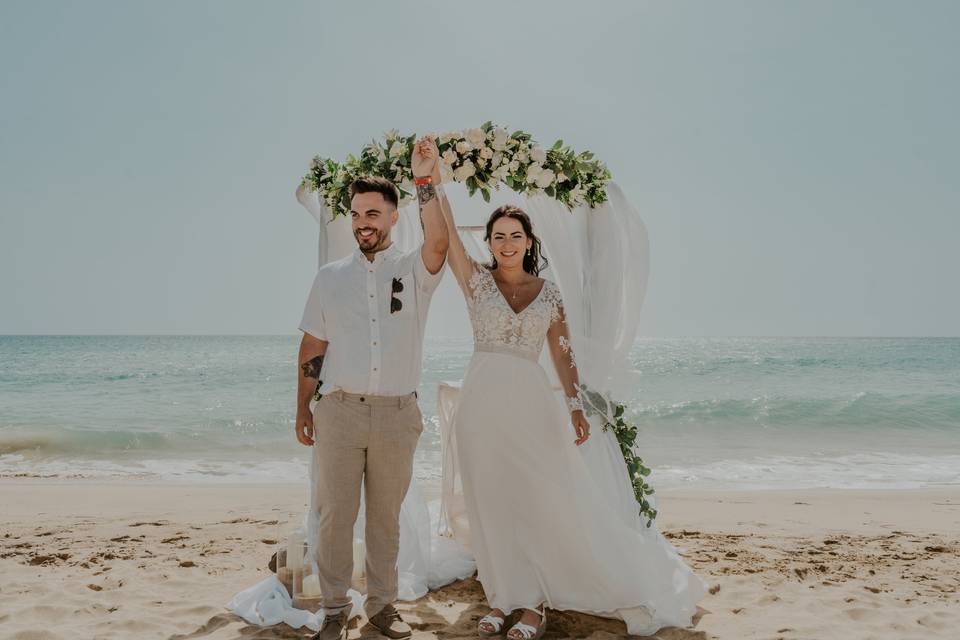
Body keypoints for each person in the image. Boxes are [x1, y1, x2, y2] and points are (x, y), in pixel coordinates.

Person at [414, 137, 707, 638]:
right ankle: (503, 596)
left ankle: (533, 604)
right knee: (491, 499)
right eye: (498, 236)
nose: (506, 243)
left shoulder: (549, 295)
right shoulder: (476, 284)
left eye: (515, 235)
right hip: (482, 403)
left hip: (529, 403)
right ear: (490, 243)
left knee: (534, 498)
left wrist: (574, 407)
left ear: (530, 242)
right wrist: (428, 182)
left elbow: (563, 356)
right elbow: (447, 240)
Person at [294, 139, 448, 640]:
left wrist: (424, 181)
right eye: (357, 212)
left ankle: (383, 605)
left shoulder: (413, 271)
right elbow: (314, 345)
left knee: (386, 520)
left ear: (393, 217)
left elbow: (441, 243)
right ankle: (336, 607)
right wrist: (303, 407)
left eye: (374, 213)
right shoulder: (329, 277)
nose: (363, 221)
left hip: (397, 413)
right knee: (336, 516)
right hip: (338, 411)